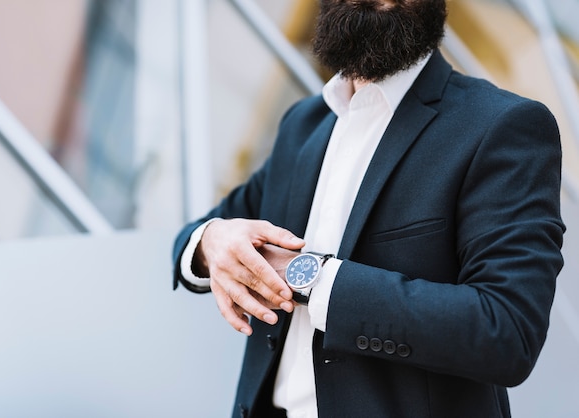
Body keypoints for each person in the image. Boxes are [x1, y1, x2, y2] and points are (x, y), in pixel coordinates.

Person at [172, 0, 565, 416]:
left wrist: (313, 279)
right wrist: (211, 241)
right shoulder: (301, 125)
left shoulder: (503, 126)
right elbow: (199, 234)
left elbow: (506, 332)